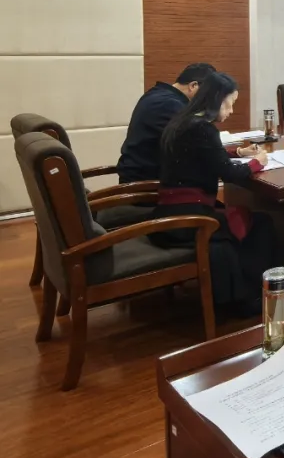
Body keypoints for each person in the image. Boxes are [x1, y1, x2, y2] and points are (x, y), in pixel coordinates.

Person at [151, 72, 274, 315]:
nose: (231, 111)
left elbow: (204, 155)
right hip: (189, 218)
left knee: (248, 219)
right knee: (261, 223)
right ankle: (251, 296)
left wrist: (239, 153)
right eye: (229, 104)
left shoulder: (182, 121)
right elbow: (228, 173)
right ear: (217, 100)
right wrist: (257, 162)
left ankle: (246, 290)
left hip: (169, 209)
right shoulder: (203, 129)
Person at [116, 63, 216, 183]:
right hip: (145, 183)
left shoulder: (157, 93)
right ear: (193, 86)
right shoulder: (170, 104)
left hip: (140, 174)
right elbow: (197, 146)